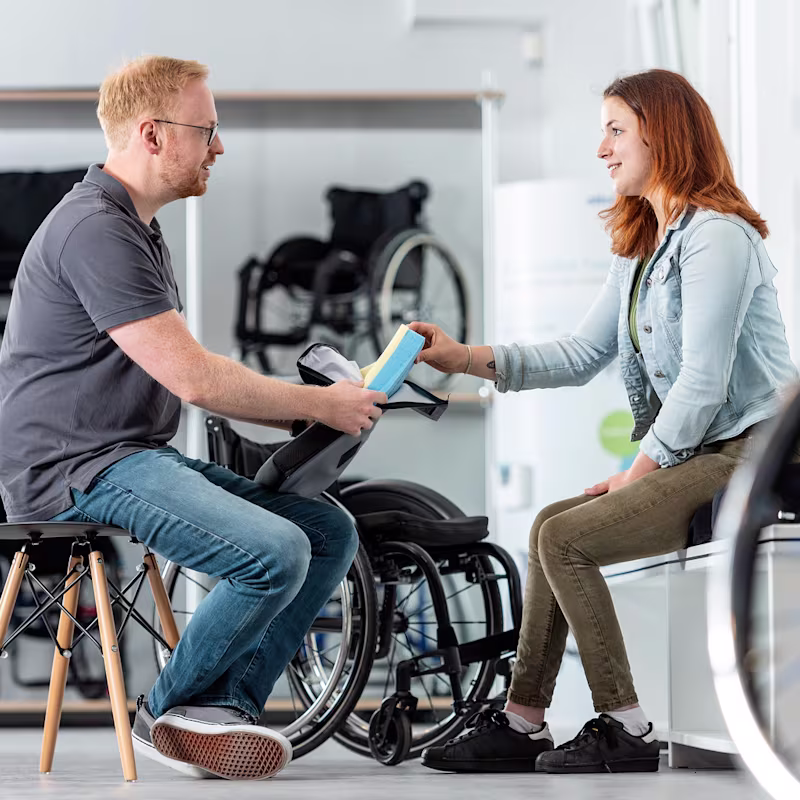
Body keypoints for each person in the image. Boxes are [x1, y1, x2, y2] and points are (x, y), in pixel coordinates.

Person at [0, 55, 386, 781]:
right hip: (75, 470)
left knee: (327, 530)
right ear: (152, 134)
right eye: (206, 130)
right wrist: (320, 403)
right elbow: (193, 377)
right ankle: (167, 712)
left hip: (126, 454)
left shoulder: (133, 225)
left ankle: (222, 711)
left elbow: (186, 370)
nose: (219, 145)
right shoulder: (96, 229)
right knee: (274, 551)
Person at [410, 68, 799, 775]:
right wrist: (462, 356)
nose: (603, 149)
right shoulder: (646, 246)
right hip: (702, 455)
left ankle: (626, 727)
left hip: (753, 454)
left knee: (566, 536)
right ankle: (525, 722)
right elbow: (582, 351)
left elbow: (704, 384)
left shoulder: (720, 239)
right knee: (545, 529)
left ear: (664, 133)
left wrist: (637, 474)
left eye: (616, 129)